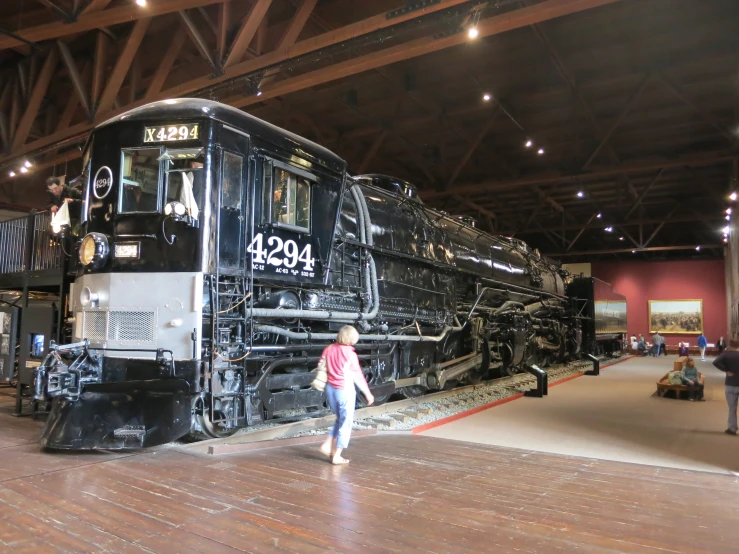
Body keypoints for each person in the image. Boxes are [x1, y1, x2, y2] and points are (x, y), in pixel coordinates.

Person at [318, 326, 374, 465]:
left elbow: (320, 365)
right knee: (346, 423)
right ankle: (337, 455)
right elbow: (357, 376)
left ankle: (327, 445)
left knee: (340, 419)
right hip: (344, 390)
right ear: (352, 338)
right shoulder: (350, 354)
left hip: (330, 389)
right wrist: (367, 393)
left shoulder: (329, 348)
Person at [712, 339, 739, 435]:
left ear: (730, 345)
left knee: (732, 408)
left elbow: (715, 362)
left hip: (730, 384)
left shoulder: (726, 354)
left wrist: (726, 370)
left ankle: (732, 428)